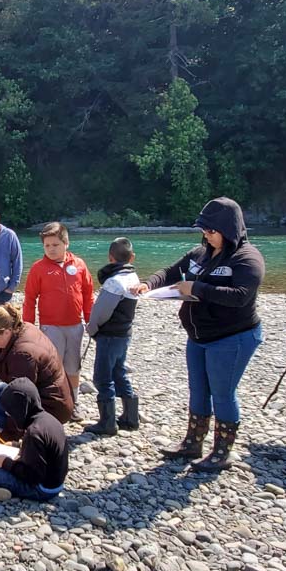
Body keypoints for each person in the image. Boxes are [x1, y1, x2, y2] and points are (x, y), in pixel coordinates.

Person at [130, 197, 265, 471]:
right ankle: (193, 442)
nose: (206, 235)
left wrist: (197, 289)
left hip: (232, 337)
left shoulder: (248, 259)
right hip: (199, 337)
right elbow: (171, 272)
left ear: (228, 229)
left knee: (223, 393)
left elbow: (240, 296)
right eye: (203, 230)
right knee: (198, 390)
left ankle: (221, 452)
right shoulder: (199, 254)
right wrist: (148, 284)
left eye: (211, 230)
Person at [0, 304, 77, 428]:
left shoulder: (23, 355)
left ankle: (24, 431)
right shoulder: (22, 328)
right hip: (57, 397)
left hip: (52, 408)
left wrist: (12, 435)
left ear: (6, 332)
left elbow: (22, 400)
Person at [22, 222, 94, 403]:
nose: (51, 249)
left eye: (55, 245)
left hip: (75, 326)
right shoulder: (38, 268)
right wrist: (28, 327)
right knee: (53, 367)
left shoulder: (79, 265)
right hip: (50, 326)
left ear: (66, 243)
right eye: (47, 246)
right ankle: (54, 403)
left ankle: (73, 402)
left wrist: (91, 319)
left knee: (73, 368)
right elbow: (30, 299)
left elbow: (88, 293)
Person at [0, 378, 68, 502]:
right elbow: (43, 452)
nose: (10, 416)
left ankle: (0, 490)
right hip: (55, 483)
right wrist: (15, 445)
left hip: (41, 489)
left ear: (20, 410)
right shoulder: (47, 419)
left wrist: (5, 463)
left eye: (10, 413)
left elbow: (32, 476)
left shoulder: (34, 433)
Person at [83, 237, 141, 436]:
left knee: (102, 377)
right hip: (125, 333)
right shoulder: (134, 278)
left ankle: (107, 423)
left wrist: (92, 328)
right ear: (132, 258)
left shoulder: (114, 282)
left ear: (110, 257)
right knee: (119, 372)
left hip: (109, 335)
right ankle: (131, 418)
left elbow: (102, 311)